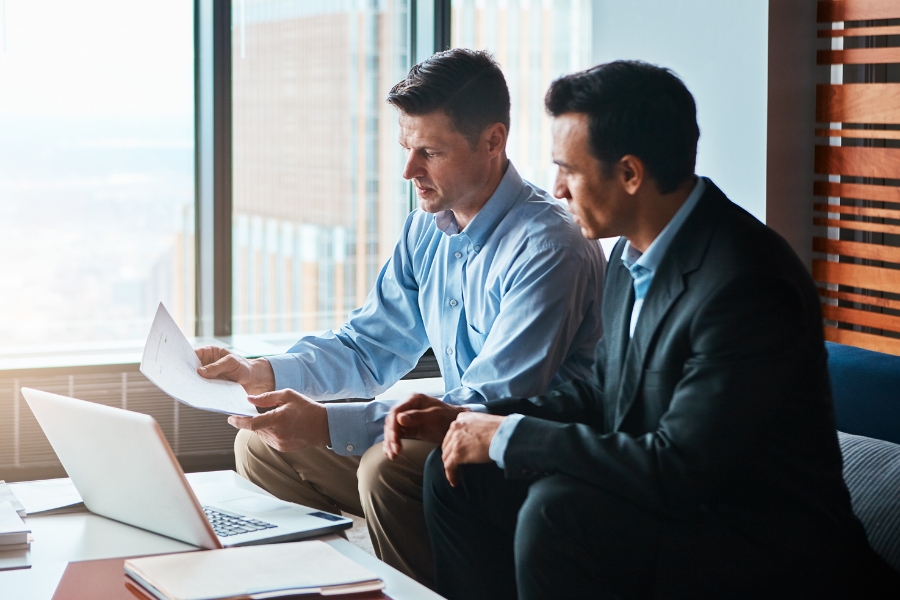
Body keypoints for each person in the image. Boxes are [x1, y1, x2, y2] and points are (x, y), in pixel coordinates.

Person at [385, 60, 896, 599]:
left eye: (569, 170)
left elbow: (681, 466)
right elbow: (605, 391)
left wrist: (509, 436)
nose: (556, 189)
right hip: (669, 510)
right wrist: (473, 419)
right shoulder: (631, 256)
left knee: (558, 512)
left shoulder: (745, 281)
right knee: (458, 477)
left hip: (756, 542)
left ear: (630, 174)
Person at [195, 48, 606, 587]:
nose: (408, 170)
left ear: (493, 141)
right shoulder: (425, 228)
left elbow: (491, 403)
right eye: (406, 148)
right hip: (453, 433)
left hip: (520, 453)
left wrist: (324, 423)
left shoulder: (549, 245)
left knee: (388, 469)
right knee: (261, 445)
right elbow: (367, 347)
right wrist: (260, 374)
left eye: (430, 152)